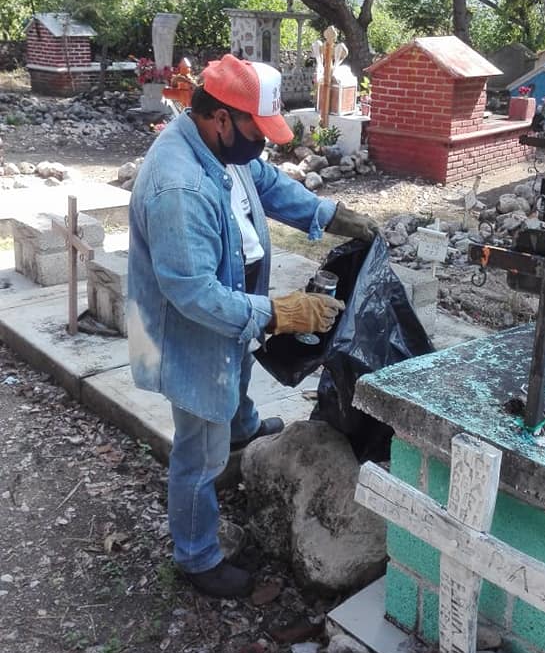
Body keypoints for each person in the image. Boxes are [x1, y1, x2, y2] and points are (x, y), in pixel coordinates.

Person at [127, 54, 379, 599]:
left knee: (236, 370)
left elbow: (267, 184)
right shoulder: (179, 186)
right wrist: (277, 312)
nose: (261, 144)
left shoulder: (222, 149)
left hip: (228, 313)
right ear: (221, 118)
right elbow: (193, 293)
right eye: (256, 131)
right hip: (190, 330)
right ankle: (197, 557)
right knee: (199, 452)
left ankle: (241, 426)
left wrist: (332, 215)